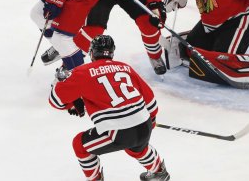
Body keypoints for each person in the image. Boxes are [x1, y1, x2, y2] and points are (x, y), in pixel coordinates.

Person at [49, 35, 170, 181]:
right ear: (112, 53)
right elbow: (150, 99)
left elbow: (56, 101)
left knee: (80, 145)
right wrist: (151, 120)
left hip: (120, 131)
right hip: (144, 124)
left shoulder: (82, 72)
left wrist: (60, 81)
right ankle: (159, 172)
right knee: (137, 146)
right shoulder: (125, 67)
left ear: (92, 53)